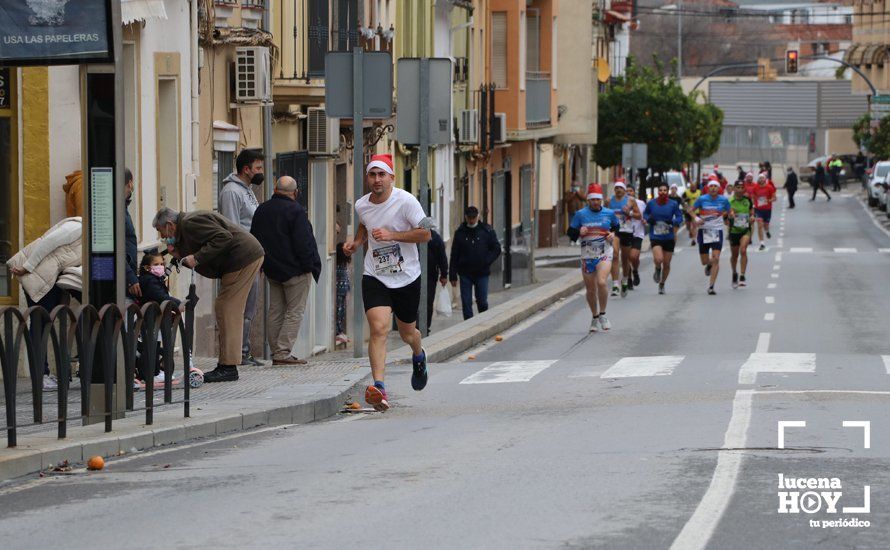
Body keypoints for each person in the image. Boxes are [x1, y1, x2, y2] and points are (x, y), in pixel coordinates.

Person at [342, 154, 431, 411]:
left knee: (406, 333)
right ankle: (379, 387)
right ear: (367, 178)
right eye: (373, 174)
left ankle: (418, 353)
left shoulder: (406, 201)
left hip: (406, 277)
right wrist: (357, 243)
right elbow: (364, 225)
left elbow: (426, 233)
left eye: (382, 175)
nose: (377, 180)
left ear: (392, 177)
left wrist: (392, 235)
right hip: (375, 275)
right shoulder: (362, 205)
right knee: (379, 329)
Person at [153, 207, 264, 383]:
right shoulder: (186, 227)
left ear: (169, 225)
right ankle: (227, 364)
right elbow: (206, 243)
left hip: (243, 257)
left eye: (161, 232)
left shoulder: (191, 223)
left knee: (227, 308)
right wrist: (179, 254)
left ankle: (228, 367)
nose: (163, 237)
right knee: (226, 308)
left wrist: (196, 258)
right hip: (240, 259)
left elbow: (223, 237)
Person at [250, 176, 322, 366]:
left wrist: (263, 265)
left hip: (272, 270)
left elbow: (254, 239)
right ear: (295, 192)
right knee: (294, 312)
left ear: (275, 189)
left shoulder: (261, 209)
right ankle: (282, 353)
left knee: (275, 311)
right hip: (295, 271)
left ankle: (276, 351)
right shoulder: (296, 211)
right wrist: (310, 266)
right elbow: (303, 243)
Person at [7, 217, 83, 390]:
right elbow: (47, 243)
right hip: (39, 277)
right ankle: (40, 375)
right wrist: (27, 267)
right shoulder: (77, 227)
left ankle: (49, 374)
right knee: (40, 323)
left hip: (52, 280)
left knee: (45, 323)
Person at [219, 148, 266, 367]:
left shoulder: (247, 190)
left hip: (252, 257)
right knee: (240, 307)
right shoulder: (231, 192)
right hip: (241, 260)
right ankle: (239, 352)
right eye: (258, 168)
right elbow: (232, 228)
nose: (261, 171)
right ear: (246, 169)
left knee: (249, 307)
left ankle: (244, 350)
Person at [568, 184, 619, 332]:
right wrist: (579, 231)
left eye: (598, 199)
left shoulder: (609, 213)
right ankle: (594, 316)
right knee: (590, 290)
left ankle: (603, 314)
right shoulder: (580, 214)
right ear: (588, 201)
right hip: (587, 255)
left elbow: (616, 226)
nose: (596, 202)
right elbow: (570, 233)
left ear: (601, 200)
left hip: (604, 253)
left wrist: (612, 234)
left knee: (602, 282)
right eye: (593, 200)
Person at [135, 250, 181, 389]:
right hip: (150, 317)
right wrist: (178, 303)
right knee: (151, 346)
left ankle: (154, 372)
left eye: (162, 263)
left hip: (154, 316)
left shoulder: (154, 279)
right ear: (147, 267)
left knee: (154, 345)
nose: (160, 266)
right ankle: (151, 373)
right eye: (156, 264)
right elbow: (160, 296)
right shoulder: (149, 280)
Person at [449, 206, 501, 320]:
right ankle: (468, 324)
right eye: (469, 218)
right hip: (465, 273)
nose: (472, 220)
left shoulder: (486, 231)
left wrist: (487, 260)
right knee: (466, 303)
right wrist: (452, 274)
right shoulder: (460, 233)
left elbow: (496, 248)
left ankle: (483, 320)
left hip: (482, 272)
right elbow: (454, 254)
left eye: (474, 218)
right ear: (466, 217)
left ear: (478, 217)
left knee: (482, 300)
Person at [690, 179, 731, 295]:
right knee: (704, 261)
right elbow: (690, 210)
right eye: (711, 186)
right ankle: (708, 264)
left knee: (716, 258)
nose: (713, 188)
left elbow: (729, 211)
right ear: (708, 188)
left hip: (717, 231)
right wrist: (696, 218)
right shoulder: (702, 199)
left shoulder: (724, 200)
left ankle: (711, 286)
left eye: (715, 186)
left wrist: (727, 217)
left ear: (719, 188)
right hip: (704, 231)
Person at [644, 183, 683, 295]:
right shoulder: (651, 203)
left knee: (666, 263)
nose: (662, 192)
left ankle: (662, 283)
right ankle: (657, 268)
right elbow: (645, 214)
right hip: (655, 236)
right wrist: (649, 219)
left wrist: (673, 222)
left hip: (668, 236)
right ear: (658, 192)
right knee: (659, 259)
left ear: (668, 192)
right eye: (660, 190)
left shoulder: (673, 204)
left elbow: (680, 217)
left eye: (664, 190)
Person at [608, 180, 641, 297]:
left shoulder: (630, 200)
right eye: (616, 188)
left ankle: (625, 280)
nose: (618, 190)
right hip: (615, 231)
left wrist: (630, 213)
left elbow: (639, 216)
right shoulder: (609, 201)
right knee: (615, 255)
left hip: (627, 231)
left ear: (624, 190)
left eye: (620, 188)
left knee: (625, 259)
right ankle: (615, 284)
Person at [727, 182, 754, 289]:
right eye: (738, 187)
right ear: (734, 189)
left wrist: (752, 217)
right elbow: (724, 217)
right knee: (734, 255)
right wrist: (730, 216)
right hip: (733, 231)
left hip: (745, 230)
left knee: (743, 250)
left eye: (742, 187)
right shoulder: (729, 201)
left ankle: (742, 275)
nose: (740, 189)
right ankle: (734, 273)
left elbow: (752, 212)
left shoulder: (747, 200)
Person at [425, 229, 449, 335]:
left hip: (430, 275)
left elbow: (442, 257)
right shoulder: (410, 234)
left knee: (428, 301)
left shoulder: (435, 238)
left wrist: (444, 274)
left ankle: (425, 326)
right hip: (412, 275)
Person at [124, 168, 140, 302]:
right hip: (121, 282)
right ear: (130, 183)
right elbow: (116, 250)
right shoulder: (117, 210)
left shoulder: (121, 208)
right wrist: (130, 277)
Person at [625, 186, 647, 288]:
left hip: (638, 233)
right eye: (627, 191)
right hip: (626, 233)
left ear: (634, 192)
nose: (629, 193)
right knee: (627, 258)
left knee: (634, 257)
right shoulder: (622, 204)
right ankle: (629, 278)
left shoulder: (641, 203)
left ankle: (635, 271)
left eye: (631, 191)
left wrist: (645, 220)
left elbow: (646, 215)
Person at [751, 173, 776, 251]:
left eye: (762, 178)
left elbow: (774, 198)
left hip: (767, 209)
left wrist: (768, 200)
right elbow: (753, 197)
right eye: (760, 178)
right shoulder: (755, 187)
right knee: (759, 225)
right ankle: (762, 243)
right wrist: (753, 205)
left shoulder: (770, 187)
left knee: (766, 225)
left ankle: (767, 231)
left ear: (765, 179)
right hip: (758, 210)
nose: (761, 179)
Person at [335, 243, 351, 346]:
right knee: (339, 312)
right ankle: (338, 332)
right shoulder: (338, 266)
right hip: (339, 292)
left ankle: (340, 332)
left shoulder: (343, 264)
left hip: (342, 292)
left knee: (341, 312)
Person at [683, 180, 702, 246]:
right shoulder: (686, 192)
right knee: (688, 226)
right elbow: (682, 200)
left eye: (694, 186)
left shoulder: (699, 192)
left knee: (694, 226)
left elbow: (702, 200)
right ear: (690, 186)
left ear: (696, 186)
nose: (693, 187)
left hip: (696, 212)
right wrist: (685, 200)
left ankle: (694, 239)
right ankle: (690, 231)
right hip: (688, 211)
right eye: (692, 186)